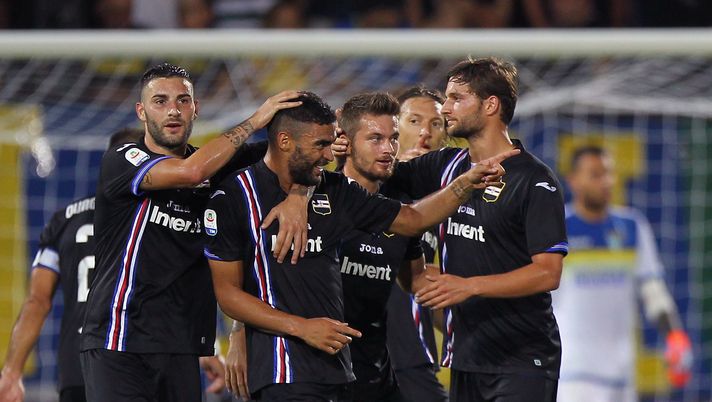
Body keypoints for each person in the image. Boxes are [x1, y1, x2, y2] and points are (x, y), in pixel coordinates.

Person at [205, 91, 517, 401]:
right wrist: (252, 335)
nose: (328, 155)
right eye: (376, 139)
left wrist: (466, 184)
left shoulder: (340, 194)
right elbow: (235, 290)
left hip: (352, 372)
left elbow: (413, 227)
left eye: (392, 138)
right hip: (284, 369)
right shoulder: (239, 196)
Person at [79, 63, 305, 402]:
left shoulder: (217, 170)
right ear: (141, 111)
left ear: (195, 109)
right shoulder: (124, 159)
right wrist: (255, 120)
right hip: (119, 340)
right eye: (160, 101)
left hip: (182, 344)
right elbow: (191, 171)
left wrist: (304, 187)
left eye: (183, 100)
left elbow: (291, 157)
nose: (173, 110)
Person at [386, 57, 568, 402]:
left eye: (456, 98)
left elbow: (548, 274)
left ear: (490, 105)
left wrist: (468, 286)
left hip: (522, 358)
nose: (446, 108)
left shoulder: (534, 180)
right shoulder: (446, 165)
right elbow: (380, 176)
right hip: (466, 357)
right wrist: (344, 145)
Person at [0, 128, 142, 402]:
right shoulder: (152, 216)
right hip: (133, 361)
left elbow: (37, 302)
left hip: (77, 366)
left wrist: (12, 371)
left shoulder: (63, 219)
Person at [554, 145, 692, 402]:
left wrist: (674, 336)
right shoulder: (558, 227)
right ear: (573, 180)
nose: (605, 181)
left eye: (608, 173)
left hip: (622, 373)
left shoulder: (632, 226)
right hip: (574, 374)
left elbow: (652, 289)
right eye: (595, 174)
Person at [385, 86, 449, 402]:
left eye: (436, 124)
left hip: (416, 360)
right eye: (414, 121)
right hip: (354, 359)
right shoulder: (355, 187)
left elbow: (431, 291)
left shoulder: (453, 202)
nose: (425, 132)